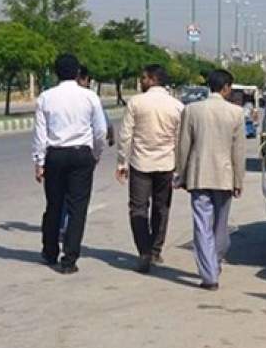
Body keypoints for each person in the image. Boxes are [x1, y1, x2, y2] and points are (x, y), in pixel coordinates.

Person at [33, 53, 107, 274]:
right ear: (77, 73)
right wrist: (95, 153)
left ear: (56, 72)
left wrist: (39, 162)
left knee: (54, 205)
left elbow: (40, 134)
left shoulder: (45, 97)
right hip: (80, 155)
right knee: (77, 208)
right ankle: (69, 260)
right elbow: (100, 130)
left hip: (55, 155)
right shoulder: (89, 97)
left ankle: (49, 251)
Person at [175, 69, 246, 291]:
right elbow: (239, 151)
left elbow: (183, 146)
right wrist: (238, 180)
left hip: (199, 175)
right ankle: (213, 264)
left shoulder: (192, 110)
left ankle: (209, 274)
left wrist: (182, 173)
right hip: (224, 176)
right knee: (220, 226)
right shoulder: (236, 113)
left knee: (202, 225)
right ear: (226, 88)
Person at [116, 64, 184, 273]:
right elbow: (180, 140)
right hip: (166, 164)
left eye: (144, 78)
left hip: (140, 164)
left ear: (153, 79)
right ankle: (155, 249)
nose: (141, 81)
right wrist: (180, 169)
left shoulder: (136, 103)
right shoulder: (177, 106)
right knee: (161, 208)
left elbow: (126, 135)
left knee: (138, 208)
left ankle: (144, 250)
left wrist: (122, 162)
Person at [78, 66, 115, 147]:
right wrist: (111, 137)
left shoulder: (58, 97)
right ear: (86, 80)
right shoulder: (92, 97)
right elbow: (105, 126)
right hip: (86, 148)